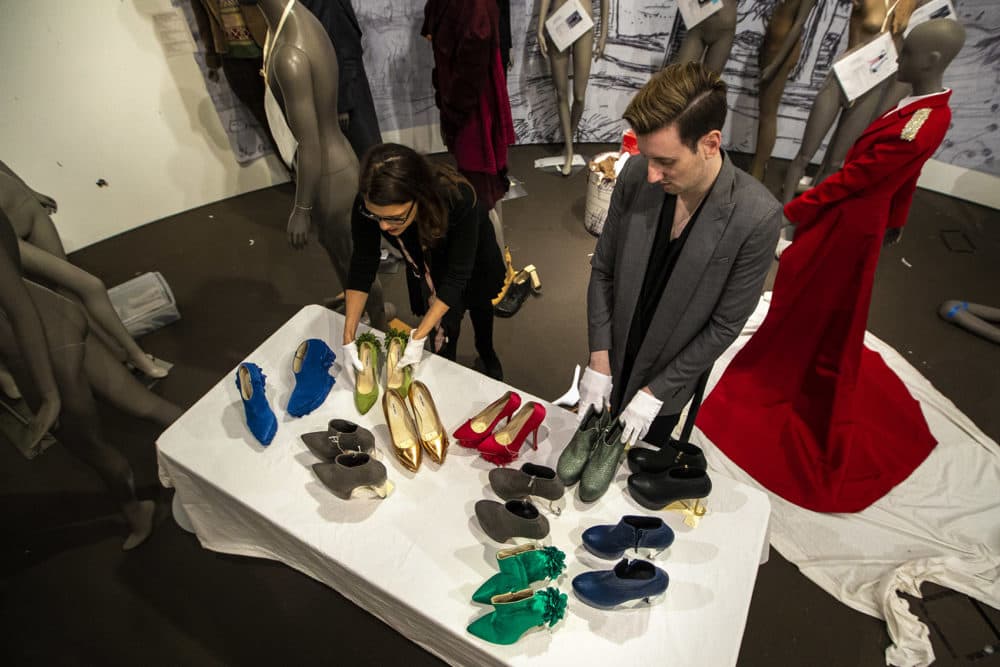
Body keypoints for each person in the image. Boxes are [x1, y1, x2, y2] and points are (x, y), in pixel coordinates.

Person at [697, 19, 966, 513]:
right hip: (862, 215)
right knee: (815, 295)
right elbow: (902, 176)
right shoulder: (924, 110)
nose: (899, 58)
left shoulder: (924, 119)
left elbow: (863, 175)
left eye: (909, 53)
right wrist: (898, 217)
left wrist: (799, 208)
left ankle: (792, 369)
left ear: (931, 61)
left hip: (851, 222)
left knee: (814, 293)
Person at [581, 62, 783, 447]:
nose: (652, 174)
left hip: (667, 379)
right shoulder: (637, 175)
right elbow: (604, 270)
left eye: (666, 162)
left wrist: (657, 391)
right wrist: (599, 356)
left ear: (710, 143)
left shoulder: (757, 218)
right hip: (614, 352)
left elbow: (724, 325)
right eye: (648, 157)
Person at [0, 209, 182, 550]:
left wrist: (49, 394)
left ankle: (136, 511)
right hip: (57, 321)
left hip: (40, 346)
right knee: (143, 404)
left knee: (91, 448)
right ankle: (217, 456)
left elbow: (20, 312)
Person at [342, 143, 505, 380]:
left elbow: (458, 275)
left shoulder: (457, 196)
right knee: (443, 325)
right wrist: (349, 335)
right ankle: (445, 362)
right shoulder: (370, 203)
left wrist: (416, 338)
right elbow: (363, 262)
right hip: (423, 258)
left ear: (418, 197)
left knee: (480, 306)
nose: (383, 227)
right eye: (375, 216)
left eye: (394, 218)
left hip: (473, 255)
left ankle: (487, 353)